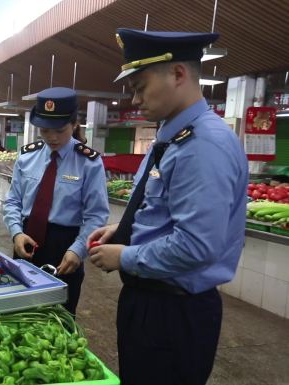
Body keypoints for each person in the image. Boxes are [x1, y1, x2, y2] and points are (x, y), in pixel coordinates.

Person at [87, 29, 248, 385]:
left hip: (174, 312)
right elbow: (160, 211)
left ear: (178, 74)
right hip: (149, 301)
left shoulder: (204, 145)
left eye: (140, 86)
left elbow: (196, 245)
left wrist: (123, 256)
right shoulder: (169, 139)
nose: (135, 99)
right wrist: (121, 231)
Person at [3, 87, 110, 315]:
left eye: (60, 131)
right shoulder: (27, 157)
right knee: (17, 315)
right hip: (25, 243)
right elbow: (13, 202)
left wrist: (78, 250)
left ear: (74, 124)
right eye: (44, 130)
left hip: (65, 250)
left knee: (58, 319)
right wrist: (16, 233)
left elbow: (96, 215)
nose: (52, 137)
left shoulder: (89, 163)